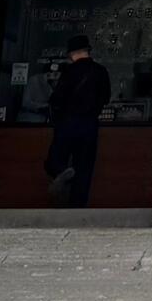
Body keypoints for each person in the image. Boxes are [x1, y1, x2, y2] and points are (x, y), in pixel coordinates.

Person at [44, 33, 112, 207]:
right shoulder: (101, 71)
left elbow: (57, 99)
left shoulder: (69, 71)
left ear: (72, 53)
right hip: (89, 124)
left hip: (68, 123)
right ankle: (78, 207)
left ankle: (62, 172)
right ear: (88, 50)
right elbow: (105, 97)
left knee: (54, 161)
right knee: (85, 169)